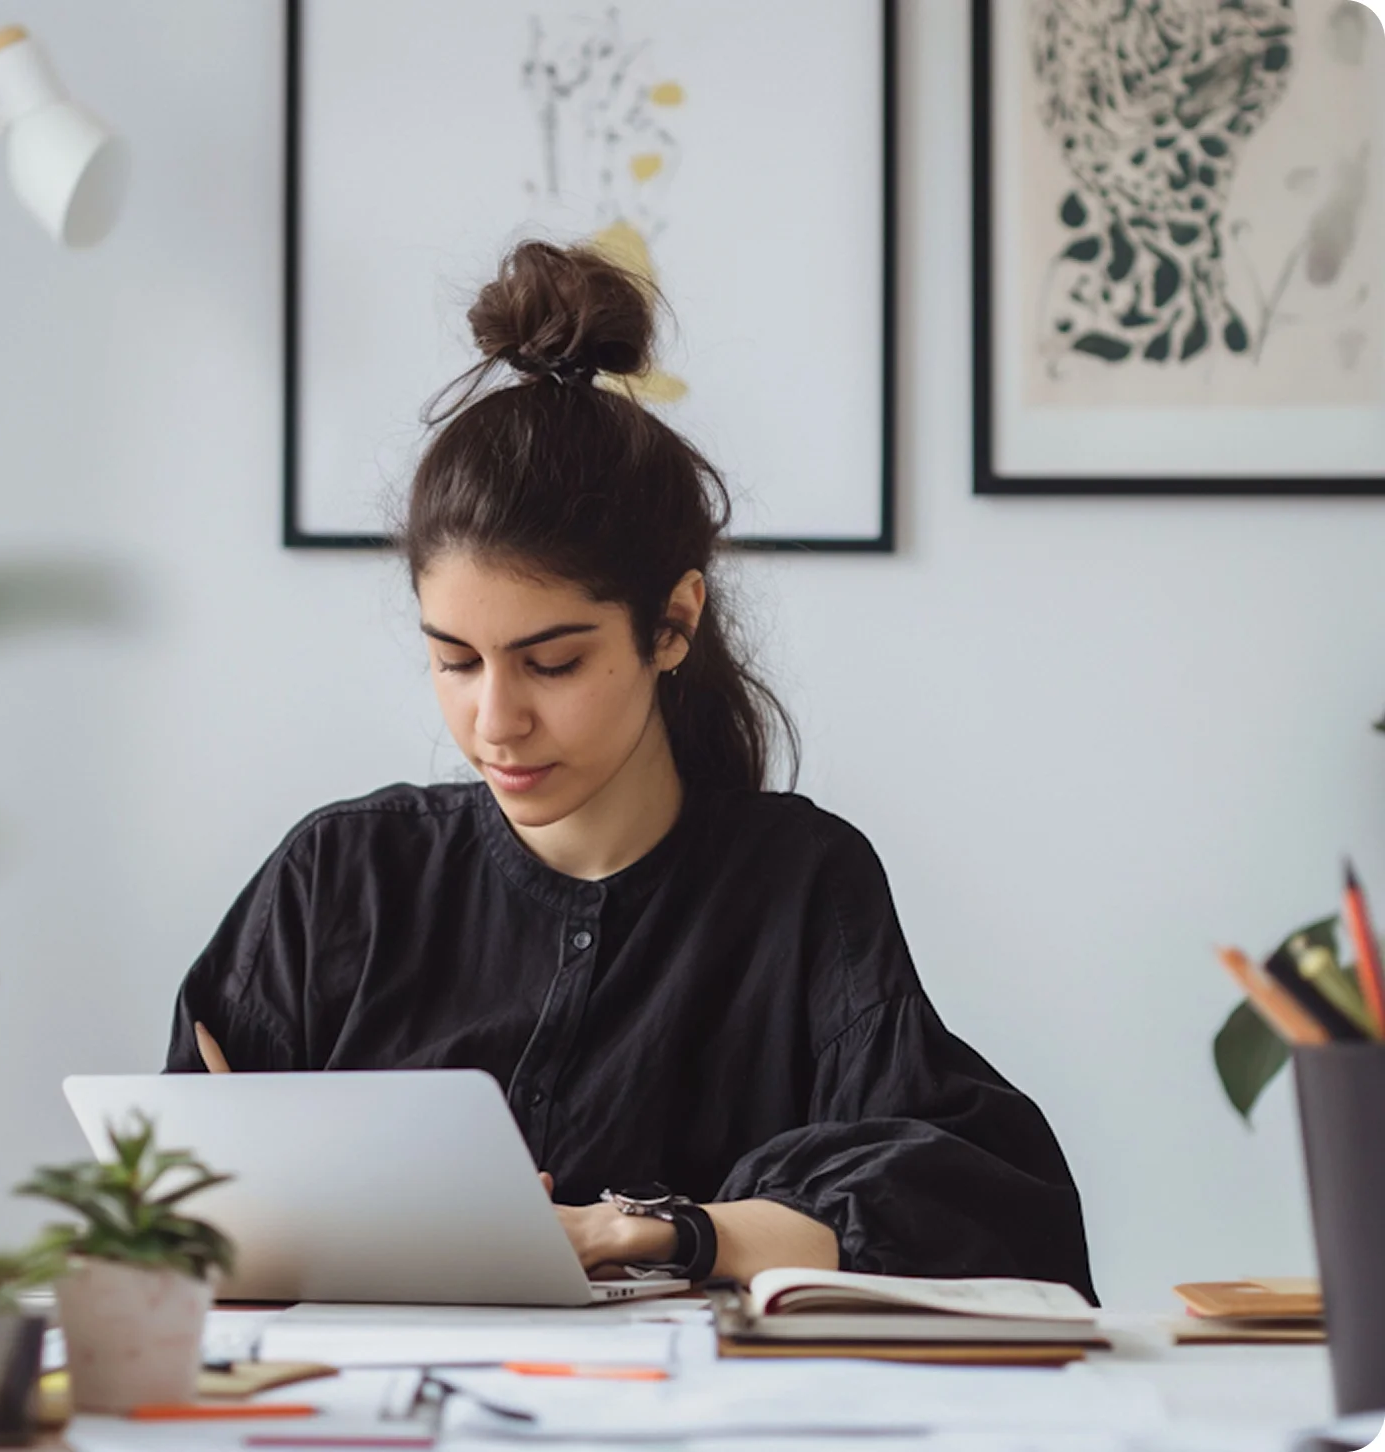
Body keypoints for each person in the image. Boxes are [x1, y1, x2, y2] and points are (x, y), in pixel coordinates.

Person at [166, 241, 1095, 1301]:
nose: (494, 720)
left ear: (673, 625)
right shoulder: (340, 879)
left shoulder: (798, 886)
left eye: (552, 663)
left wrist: (651, 1233)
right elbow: (165, 1216)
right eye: (452, 660)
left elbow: (986, 1214)